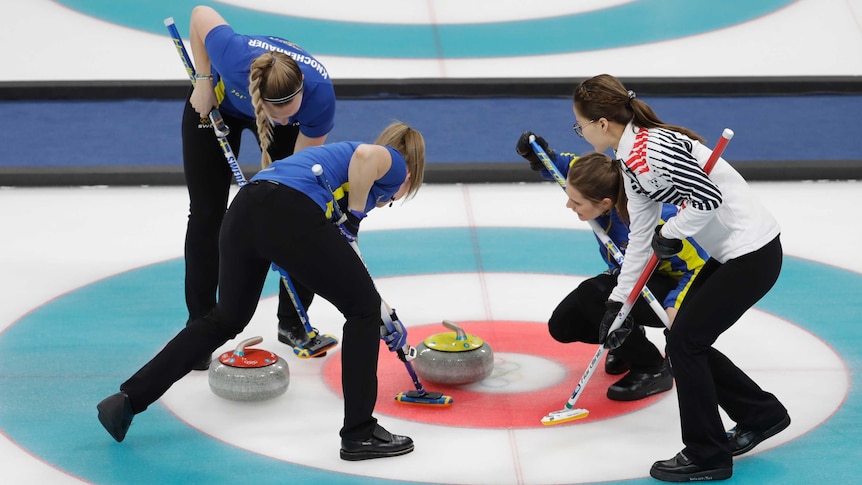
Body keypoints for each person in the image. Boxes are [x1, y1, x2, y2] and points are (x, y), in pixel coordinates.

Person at [97, 121, 426, 461]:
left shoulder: (334, 176)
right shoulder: (395, 163)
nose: (389, 201)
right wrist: (355, 219)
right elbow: (366, 156)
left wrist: (385, 312)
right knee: (361, 311)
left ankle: (128, 400)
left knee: (226, 318)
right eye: (395, 198)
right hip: (288, 210)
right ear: (409, 176)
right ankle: (360, 433)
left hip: (246, 210)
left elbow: (344, 265)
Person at [572, 74, 790, 482]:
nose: (579, 132)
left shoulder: (652, 149)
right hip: (733, 254)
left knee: (686, 343)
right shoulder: (631, 160)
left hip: (752, 252)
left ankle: (707, 454)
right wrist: (618, 303)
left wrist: (671, 233)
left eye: (579, 124)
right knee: (685, 340)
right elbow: (641, 234)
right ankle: (761, 414)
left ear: (601, 123)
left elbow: (708, 199)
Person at [183, 5, 336, 369]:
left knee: (298, 213)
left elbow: (298, 178)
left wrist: (265, 201)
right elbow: (201, 14)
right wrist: (204, 81)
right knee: (207, 214)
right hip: (216, 103)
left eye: (292, 109)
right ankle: (200, 327)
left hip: (270, 117)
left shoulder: (319, 98)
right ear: (259, 98)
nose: (286, 117)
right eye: (278, 112)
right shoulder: (234, 57)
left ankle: (293, 323)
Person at [515, 134, 708, 402]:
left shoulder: (652, 220)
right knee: (563, 326)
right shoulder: (603, 180)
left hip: (673, 293)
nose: (569, 205)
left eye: (577, 202)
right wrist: (540, 156)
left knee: (593, 294)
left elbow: (700, 267)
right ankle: (631, 341)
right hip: (631, 280)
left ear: (605, 204)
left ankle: (652, 367)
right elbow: (567, 168)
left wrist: (676, 304)